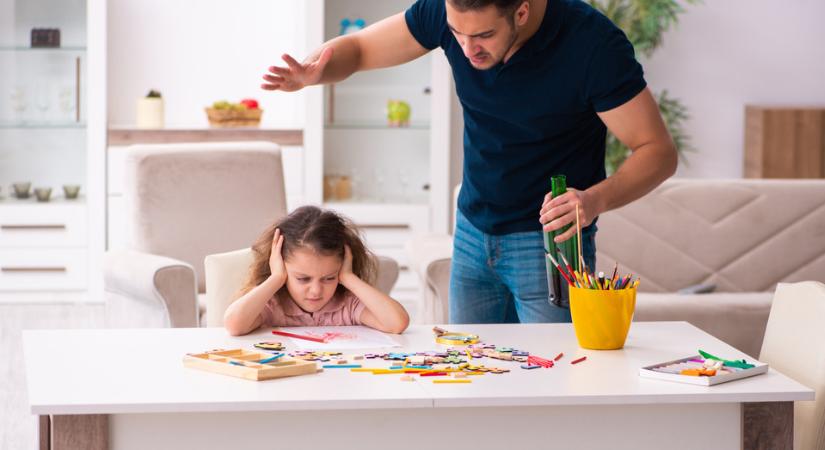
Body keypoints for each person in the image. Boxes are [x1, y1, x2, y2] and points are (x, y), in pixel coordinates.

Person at [261, 0, 677, 324]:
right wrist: (315, 71)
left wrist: (594, 200)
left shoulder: (592, 45)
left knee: (555, 385)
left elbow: (657, 152)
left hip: (547, 244)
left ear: (522, 11)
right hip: (472, 236)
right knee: (471, 381)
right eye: (456, 33)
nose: (466, 48)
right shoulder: (448, 14)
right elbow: (360, 49)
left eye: (483, 35)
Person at [223, 206, 410, 336]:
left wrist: (348, 277)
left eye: (329, 278)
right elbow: (234, 325)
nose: (316, 291)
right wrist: (276, 277)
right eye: (303, 279)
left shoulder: (347, 305)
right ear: (280, 264)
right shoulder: (273, 304)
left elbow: (397, 324)